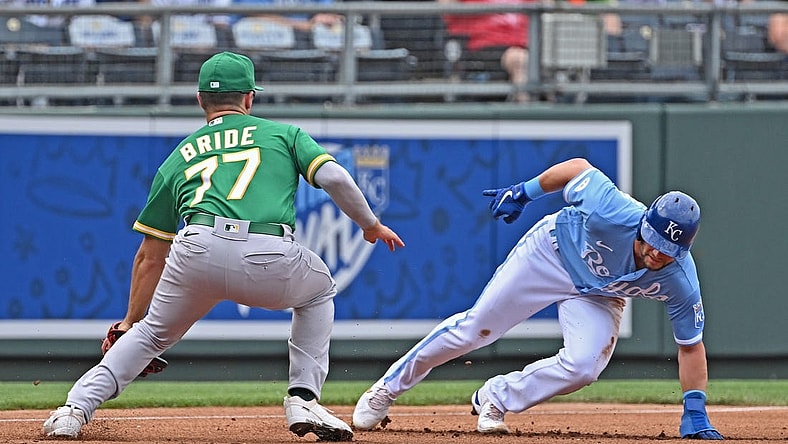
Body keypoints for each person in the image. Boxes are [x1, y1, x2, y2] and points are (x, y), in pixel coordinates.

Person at [42, 51, 404, 442]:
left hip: (197, 248)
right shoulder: (283, 134)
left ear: (200, 100)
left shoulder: (179, 156)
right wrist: (370, 225)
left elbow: (151, 254)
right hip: (268, 251)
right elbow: (333, 177)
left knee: (150, 336)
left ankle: (74, 410)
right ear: (249, 98)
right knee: (318, 293)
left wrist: (130, 320)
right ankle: (303, 398)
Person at [352, 157, 724, 440]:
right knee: (476, 329)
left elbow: (690, 346)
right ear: (644, 225)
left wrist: (695, 407)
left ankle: (495, 397)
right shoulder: (612, 209)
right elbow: (578, 168)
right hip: (552, 254)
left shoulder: (680, 280)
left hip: (597, 294)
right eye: (654, 243)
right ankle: (386, 389)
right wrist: (525, 192)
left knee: (584, 367)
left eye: (669, 250)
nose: (658, 255)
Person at [438, 0, 535, 103]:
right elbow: (445, 9)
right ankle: (530, 112)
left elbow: (546, 9)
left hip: (530, 43)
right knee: (519, 59)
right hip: (482, 45)